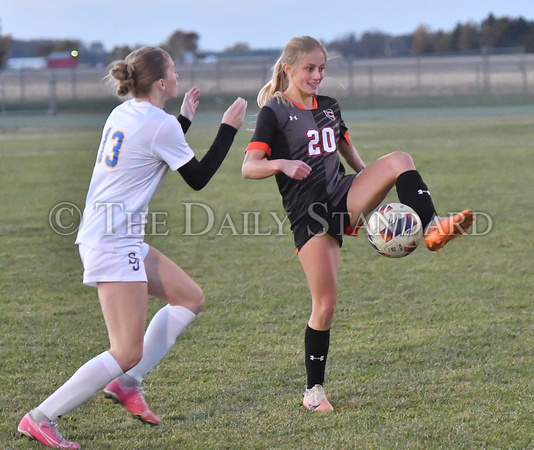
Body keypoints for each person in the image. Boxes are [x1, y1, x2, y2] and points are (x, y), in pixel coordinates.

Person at [18, 46, 247, 448]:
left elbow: (151, 142)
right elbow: (197, 177)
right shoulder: (161, 126)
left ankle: (128, 383)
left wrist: (184, 120)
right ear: (162, 82)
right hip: (112, 241)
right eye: (173, 70)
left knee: (189, 298)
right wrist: (228, 127)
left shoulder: (122, 113)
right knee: (125, 349)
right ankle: (41, 417)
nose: (177, 75)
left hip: (113, 235)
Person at [241, 36, 473, 412]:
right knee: (326, 305)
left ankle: (433, 226)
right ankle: (313, 392)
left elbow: (346, 149)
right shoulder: (275, 112)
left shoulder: (329, 107)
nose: (318, 76)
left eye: (322, 69)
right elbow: (248, 167)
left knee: (399, 159)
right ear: (288, 69)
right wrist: (281, 164)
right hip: (312, 215)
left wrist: (372, 178)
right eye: (310, 69)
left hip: (343, 194)